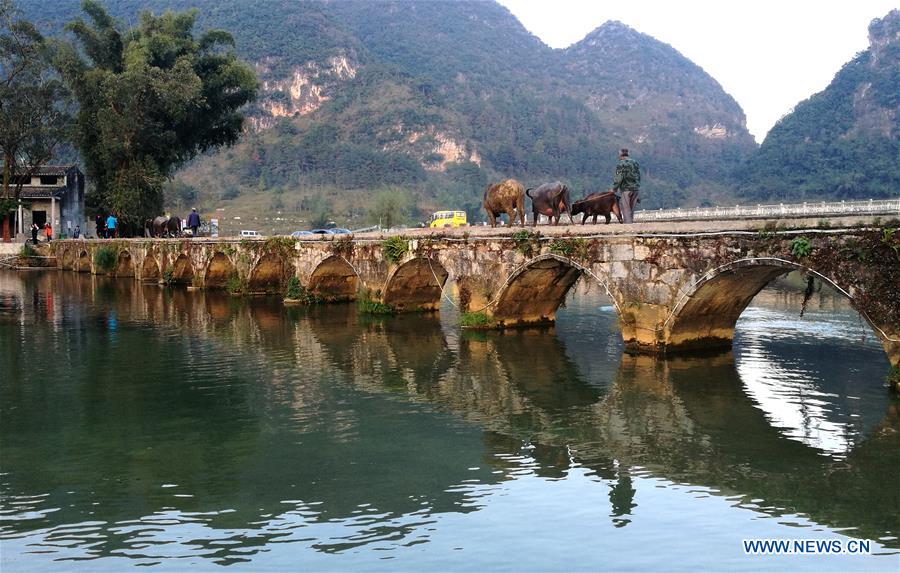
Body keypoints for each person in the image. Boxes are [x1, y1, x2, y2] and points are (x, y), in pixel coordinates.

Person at [611, 148, 641, 224]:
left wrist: (614, 189)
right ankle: (631, 224)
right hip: (635, 189)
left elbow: (619, 177)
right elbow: (638, 176)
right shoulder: (635, 163)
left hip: (626, 189)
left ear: (621, 155)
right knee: (632, 209)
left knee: (626, 208)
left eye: (618, 154)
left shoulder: (621, 164)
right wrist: (637, 187)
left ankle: (628, 226)